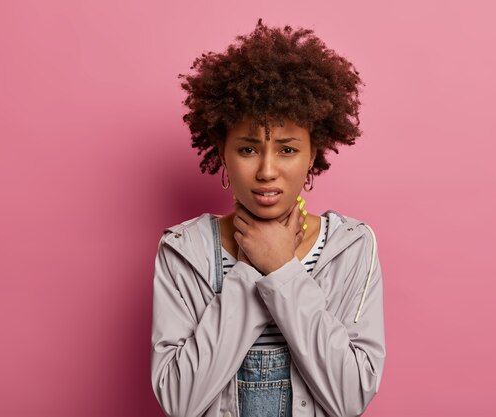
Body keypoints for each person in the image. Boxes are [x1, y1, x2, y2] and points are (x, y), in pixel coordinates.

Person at [150, 19, 386, 417]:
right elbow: (179, 401)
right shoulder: (183, 250)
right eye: (247, 150)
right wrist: (248, 272)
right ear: (222, 151)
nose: (266, 170)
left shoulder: (352, 246)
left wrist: (282, 270)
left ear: (313, 153)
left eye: (288, 150)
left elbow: (350, 398)